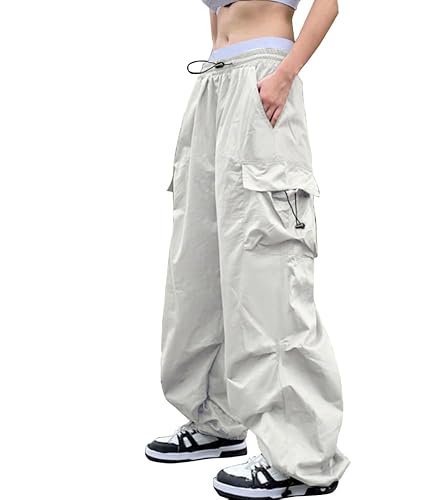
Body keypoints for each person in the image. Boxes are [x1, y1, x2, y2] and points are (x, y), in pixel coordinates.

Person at [145, 1, 350, 498]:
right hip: (214, 85)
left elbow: (328, 3)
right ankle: (216, 419)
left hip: (264, 81)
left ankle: (302, 459)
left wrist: (285, 73)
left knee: (269, 276)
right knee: (200, 267)